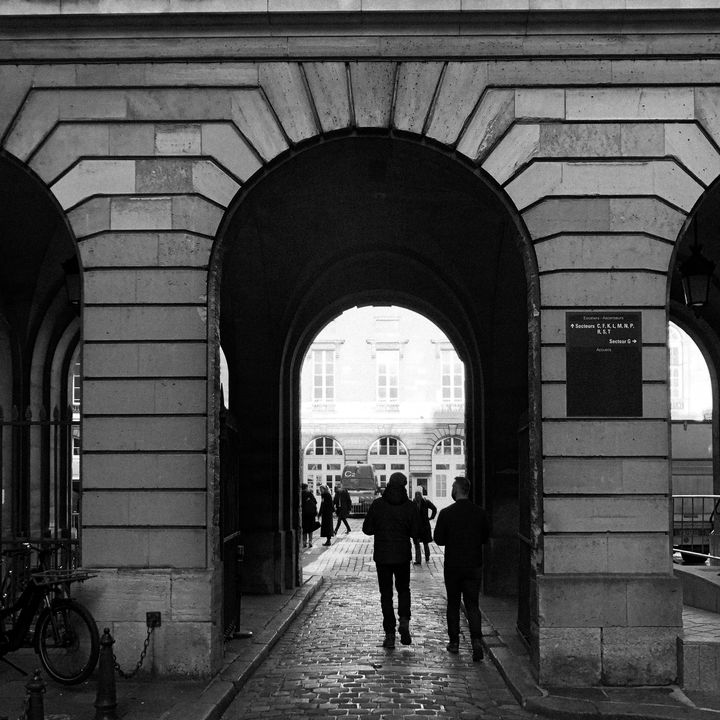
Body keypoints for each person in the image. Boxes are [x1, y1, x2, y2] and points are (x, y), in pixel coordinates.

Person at [433, 475, 490, 661]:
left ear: (456, 490)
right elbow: (485, 538)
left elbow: (439, 540)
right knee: (473, 604)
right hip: (474, 564)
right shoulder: (480, 513)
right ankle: (475, 642)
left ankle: (454, 642)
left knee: (453, 604)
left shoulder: (446, 513)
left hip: (453, 565)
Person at [362, 472, 421, 649]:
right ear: (404, 486)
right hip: (402, 556)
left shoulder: (378, 504)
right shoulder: (410, 506)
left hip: (383, 557)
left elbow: (367, 529)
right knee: (404, 590)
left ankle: (389, 634)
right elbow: (416, 532)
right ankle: (404, 620)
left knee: (386, 595)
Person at [412, 490, 437, 565]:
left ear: (421, 495)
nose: (417, 496)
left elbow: (434, 508)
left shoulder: (426, 502)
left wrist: (432, 517)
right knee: (416, 544)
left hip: (424, 526)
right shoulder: (412, 503)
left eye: (419, 494)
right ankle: (418, 560)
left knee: (425, 543)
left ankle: (427, 556)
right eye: (416, 495)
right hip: (416, 527)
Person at [301, 483, 318, 548]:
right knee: (310, 528)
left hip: (304, 514)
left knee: (304, 528)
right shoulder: (309, 493)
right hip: (311, 514)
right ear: (306, 487)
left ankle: (304, 542)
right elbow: (315, 502)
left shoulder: (300, 494)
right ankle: (310, 541)